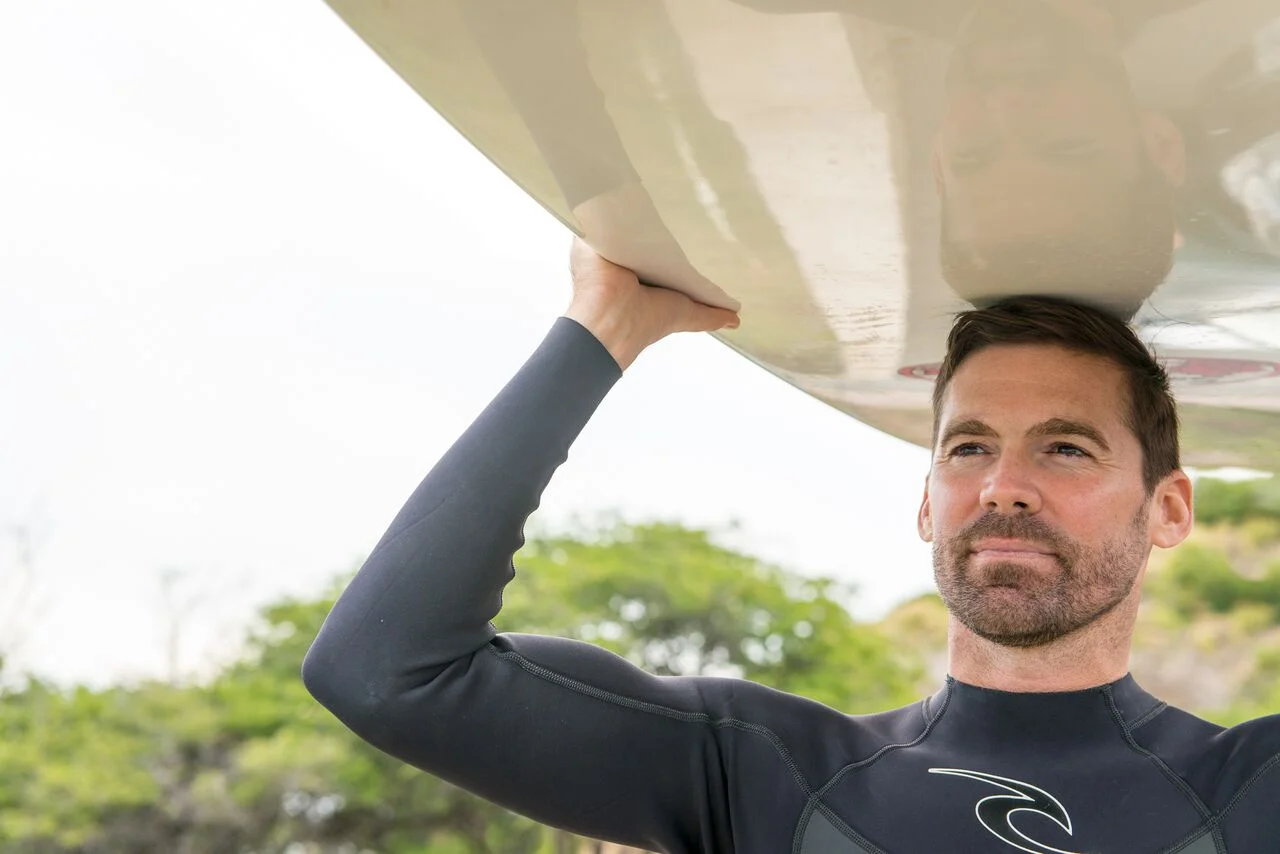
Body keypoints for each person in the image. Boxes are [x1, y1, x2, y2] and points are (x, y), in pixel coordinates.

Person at [302, 241, 1280, 852]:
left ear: (1168, 508)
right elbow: (384, 669)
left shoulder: (1252, 788)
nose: (1002, 485)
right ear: (927, 505)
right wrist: (603, 327)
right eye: (968, 447)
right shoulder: (762, 770)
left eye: (1064, 448)